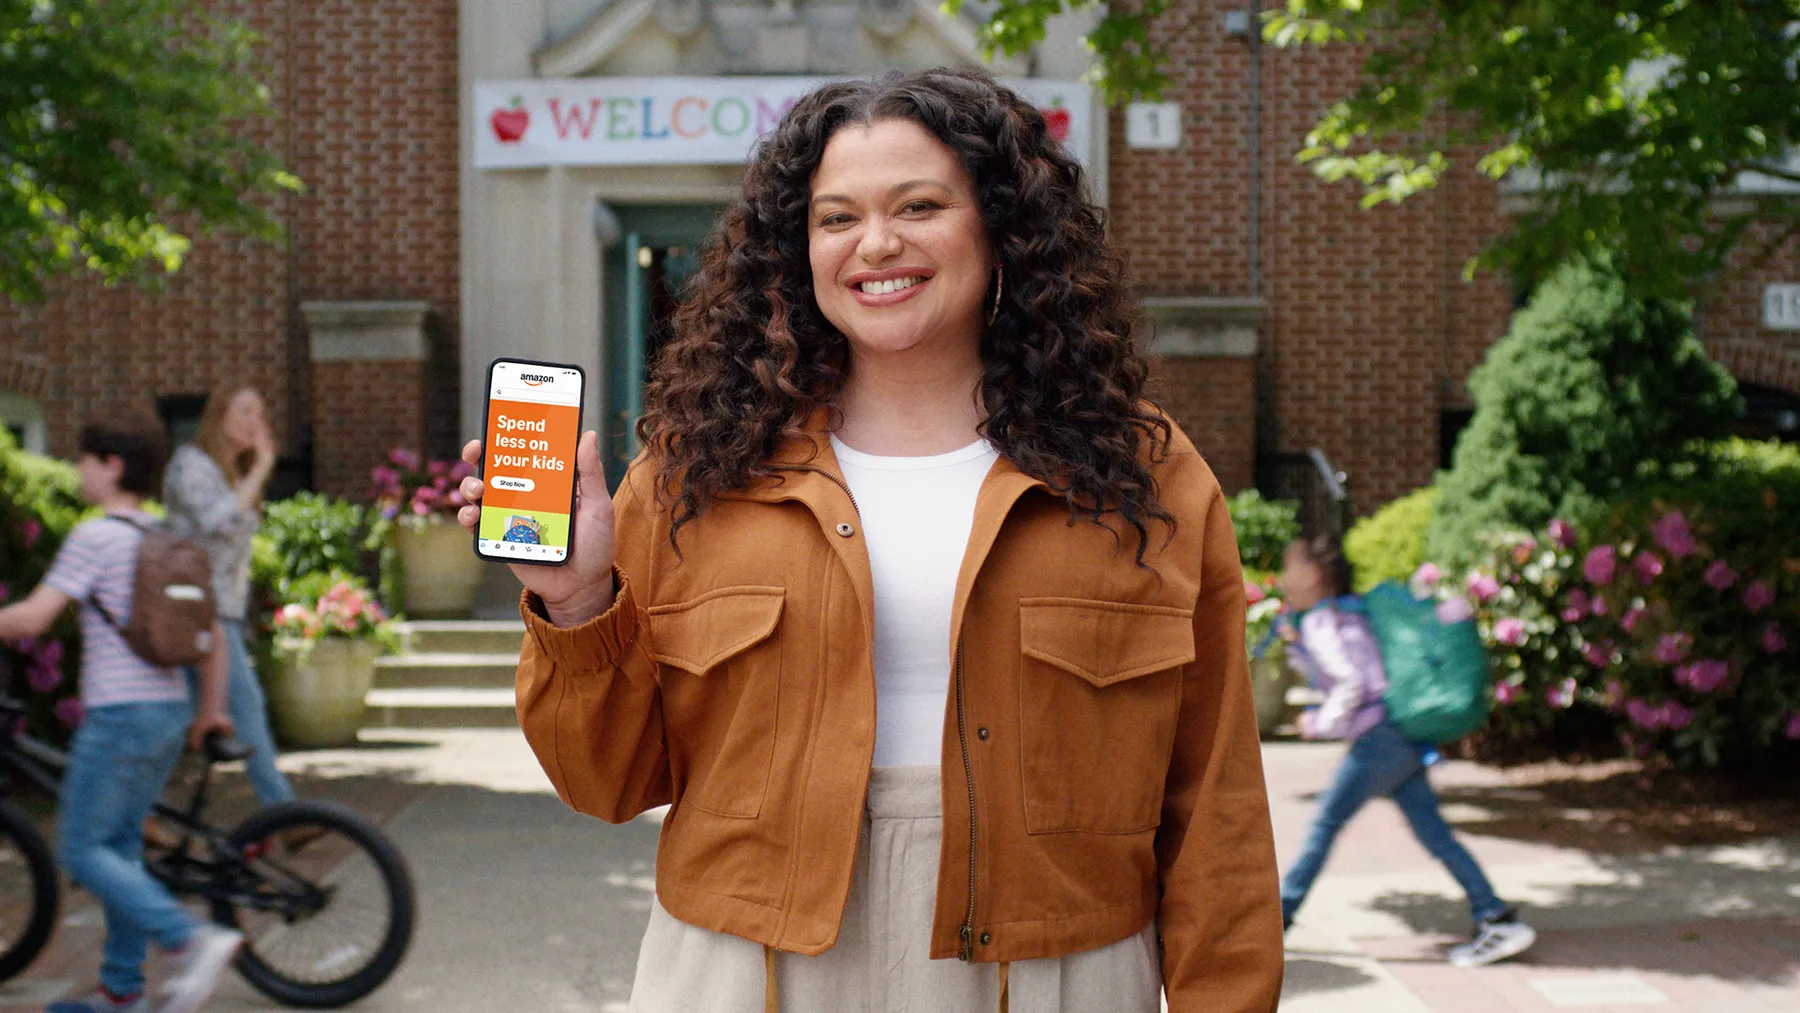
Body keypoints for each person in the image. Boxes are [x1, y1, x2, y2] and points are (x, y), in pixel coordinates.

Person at [458, 69, 1283, 1012]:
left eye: (920, 205)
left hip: (1055, 971)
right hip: (745, 969)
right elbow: (606, 782)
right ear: (797, 251)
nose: (876, 244)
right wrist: (575, 601)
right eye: (836, 217)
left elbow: (1215, 803)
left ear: (1002, 229)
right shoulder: (697, 474)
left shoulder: (1148, 477)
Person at [0, 415, 244, 1013]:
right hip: (165, 712)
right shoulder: (163, 541)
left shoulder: (96, 537)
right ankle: (122, 994)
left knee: (81, 849)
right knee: (120, 851)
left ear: (110, 465)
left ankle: (190, 939)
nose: (76, 471)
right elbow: (212, 636)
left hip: (119, 718)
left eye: (83, 460)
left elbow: (32, 619)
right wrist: (210, 710)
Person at [1275, 534, 1536, 968]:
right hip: (1399, 734)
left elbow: (1351, 682)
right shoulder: (1345, 613)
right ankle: (1495, 917)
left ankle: (1278, 919)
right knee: (1434, 834)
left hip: (1379, 740)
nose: (1284, 577)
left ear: (1314, 575)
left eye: (1290, 566)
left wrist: (1318, 723)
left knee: (1324, 825)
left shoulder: (1324, 622)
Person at [161, 386, 295, 806]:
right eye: (244, 412)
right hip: (195, 609)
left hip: (223, 612)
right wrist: (261, 470)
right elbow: (214, 522)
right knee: (247, 707)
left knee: (176, 718)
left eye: (260, 412)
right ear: (219, 417)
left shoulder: (233, 474)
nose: (255, 422)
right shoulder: (192, 464)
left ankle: (140, 814)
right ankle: (285, 813)